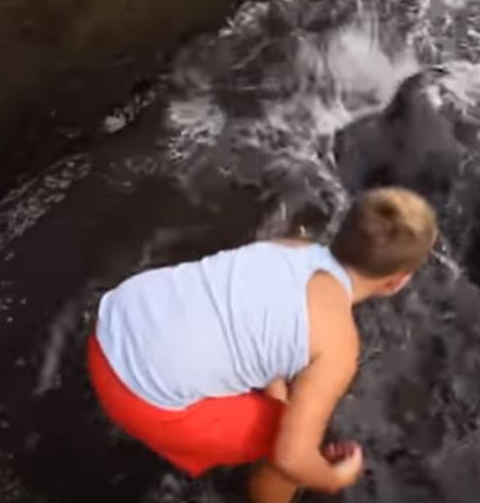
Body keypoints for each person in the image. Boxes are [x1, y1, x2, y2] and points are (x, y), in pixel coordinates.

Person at [85, 186, 438, 502]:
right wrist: (332, 477)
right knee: (287, 441)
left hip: (112, 324)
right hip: (135, 396)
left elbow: (255, 320)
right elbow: (290, 457)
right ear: (397, 282)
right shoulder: (339, 347)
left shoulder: (290, 246)